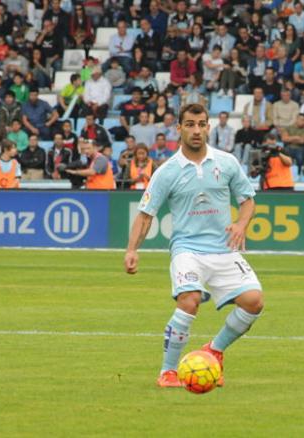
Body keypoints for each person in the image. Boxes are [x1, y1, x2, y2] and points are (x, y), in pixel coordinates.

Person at [124, 103, 264, 388]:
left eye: (201, 124)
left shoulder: (226, 162)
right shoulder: (167, 171)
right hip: (187, 249)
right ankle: (168, 371)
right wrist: (131, 249)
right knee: (189, 300)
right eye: (190, 124)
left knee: (254, 302)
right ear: (179, 129)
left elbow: (247, 199)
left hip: (224, 248)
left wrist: (240, 224)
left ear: (208, 127)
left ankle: (213, 350)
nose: (196, 130)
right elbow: (146, 214)